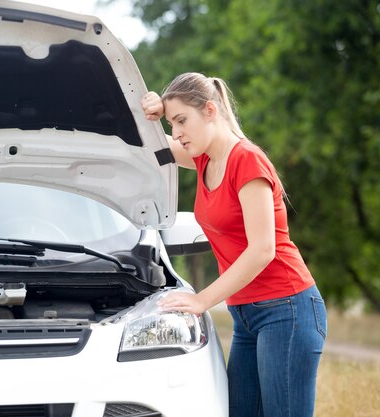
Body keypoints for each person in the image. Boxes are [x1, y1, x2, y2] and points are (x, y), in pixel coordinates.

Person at [141, 72, 327, 417]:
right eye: (172, 122)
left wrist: (201, 300)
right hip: (246, 316)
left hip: (285, 309)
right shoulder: (203, 159)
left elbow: (262, 250)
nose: (177, 131)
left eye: (182, 120)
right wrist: (149, 109)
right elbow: (149, 143)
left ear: (210, 110)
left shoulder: (246, 160)